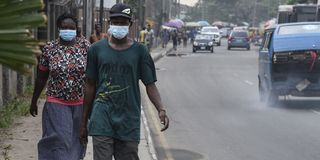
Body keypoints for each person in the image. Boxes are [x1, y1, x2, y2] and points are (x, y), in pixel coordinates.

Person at [79, 3, 169, 160]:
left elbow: (150, 84)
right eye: (115, 22)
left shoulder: (140, 51)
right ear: (109, 23)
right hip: (102, 117)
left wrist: (161, 109)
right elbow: (90, 85)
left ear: (130, 24)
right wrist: (84, 121)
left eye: (123, 22)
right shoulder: (96, 49)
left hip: (128, 119)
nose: (119, 25)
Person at [30, 13, 91, 160]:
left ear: (77, 29)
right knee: (60, 142)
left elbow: (92, 78)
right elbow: (42, 76)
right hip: (57, 103)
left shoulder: (85, 47)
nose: (68, 30)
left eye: (72, 28)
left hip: (80, 104)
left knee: (77, 144)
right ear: (58, 28)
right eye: (64, 27)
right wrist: (34, 101)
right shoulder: (50, 48)